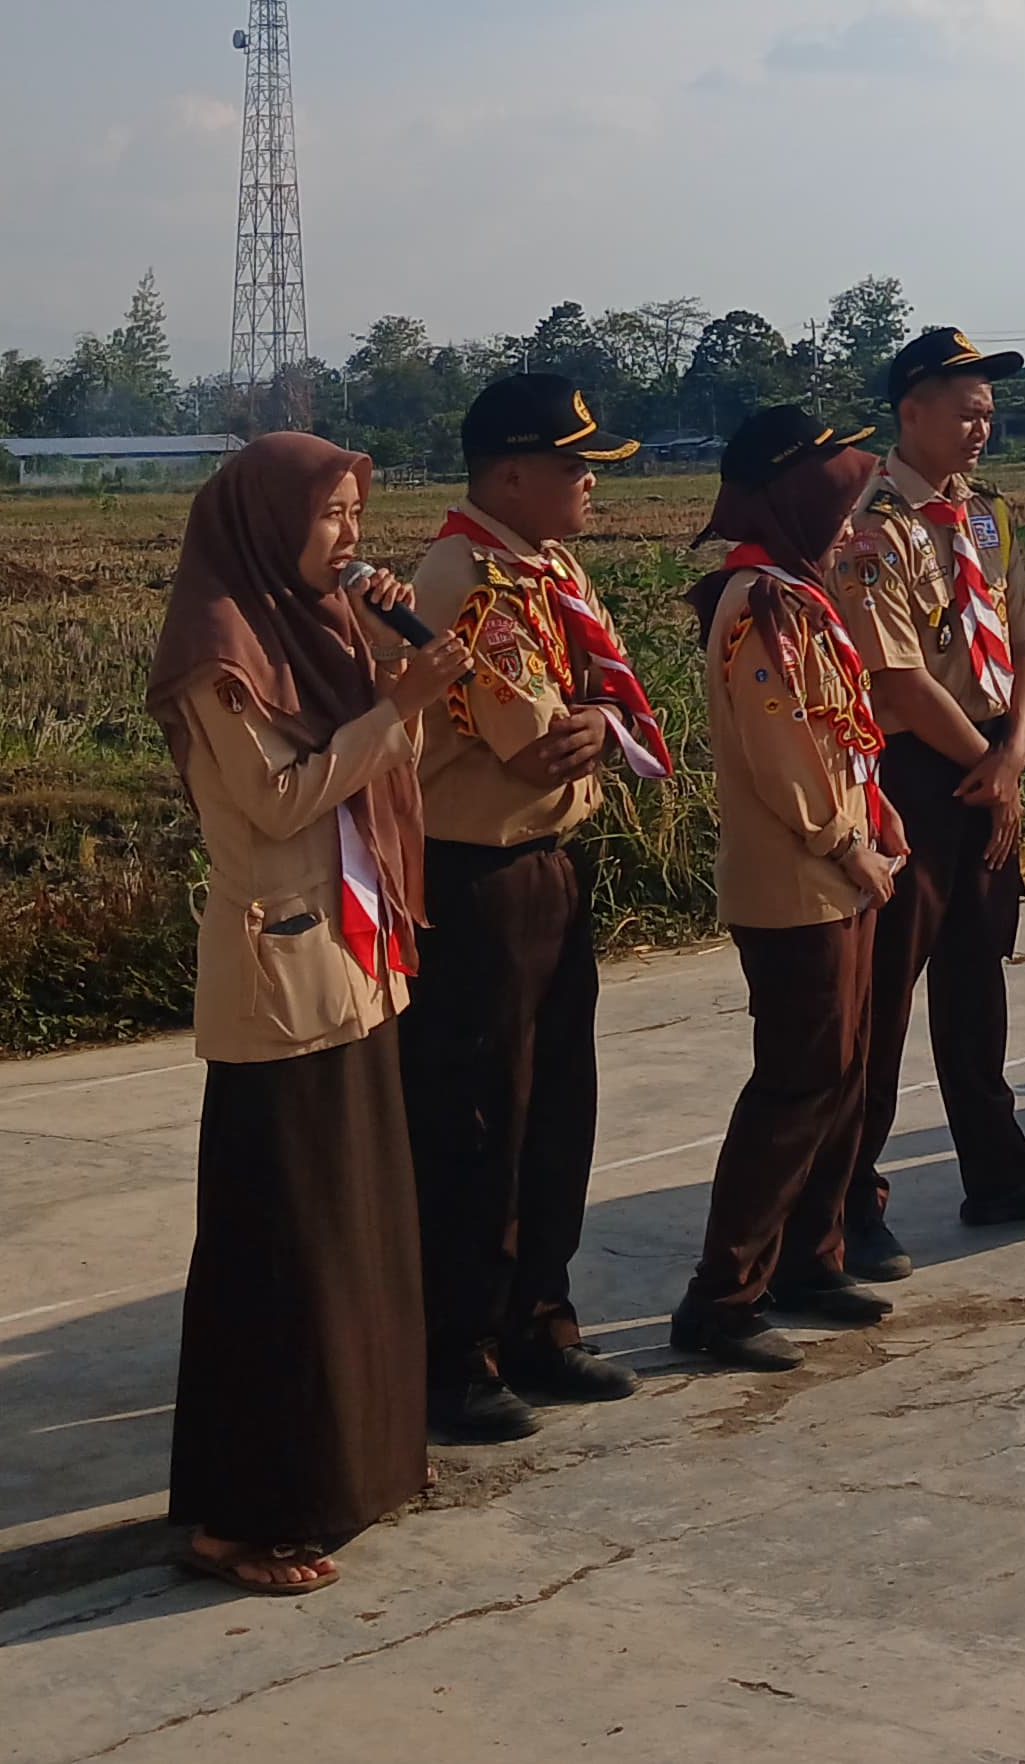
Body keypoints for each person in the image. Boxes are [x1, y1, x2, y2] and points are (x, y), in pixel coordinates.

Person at [152, 431, 467, 1597]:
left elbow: (388, 769)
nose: (350, 537)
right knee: (281, 1255)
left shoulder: (321, 629)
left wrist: (393, 676)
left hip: (356, 962)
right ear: (264, 520)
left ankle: (354, 1470)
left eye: (354, 513)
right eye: (330, 514)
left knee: (358, 1232)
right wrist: (392, 702)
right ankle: (244, 1516)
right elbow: (280, 800)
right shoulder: (217, 654)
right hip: (280, 981)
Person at [402, 374, 653, 1444]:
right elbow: (538, 739)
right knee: (478, 1125)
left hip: (548, 859)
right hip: (479, 877)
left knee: (558, 1107)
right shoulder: (465, 577)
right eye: (572, 465)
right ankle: (460, 1351)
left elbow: (603, 710)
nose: (590, 484)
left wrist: (599, 721)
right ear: (509, 472)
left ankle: (539, 1316)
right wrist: (593, 724)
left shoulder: (549, 570)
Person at [841, 329, 1025, 1267]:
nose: (981, 427)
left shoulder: (986, 517)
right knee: (883, 992)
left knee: (976, 971)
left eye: (989, 412)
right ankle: (850, 1200)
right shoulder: (874, 526)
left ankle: (997, 1170)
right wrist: (988, 771)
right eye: (965, 409)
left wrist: (1015, 752)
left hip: (990, 756)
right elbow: (897, 680)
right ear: (909, 411)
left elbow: (1024, 644)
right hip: (917, 768)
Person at [669, 409, 905, 1371]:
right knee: (798, 1081)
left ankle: (811, 1257)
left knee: (842, 1073)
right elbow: (785, 756)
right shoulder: (759, 603)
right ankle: (722, 1296)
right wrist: (854, 846)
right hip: (798, 883)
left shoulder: (798, 593)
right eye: (842, 506)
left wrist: (875, 817)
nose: (852, 528)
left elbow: (836, 732)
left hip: (837, 872)